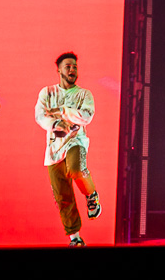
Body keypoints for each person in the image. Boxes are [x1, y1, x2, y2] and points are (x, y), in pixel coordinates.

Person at [35, 52, 101, 247]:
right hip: (53, 149)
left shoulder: (84, 94)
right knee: (63, 197)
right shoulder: (47, 93)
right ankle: (75, 239)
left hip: (76, 141)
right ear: (59, 70)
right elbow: (40, 116)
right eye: (68, 67)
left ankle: (91, 196)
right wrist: (55, 122)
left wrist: (63, 111)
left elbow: (86, 116)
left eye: (74, 67)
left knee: (76, 169)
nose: (72, 70)